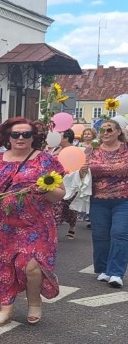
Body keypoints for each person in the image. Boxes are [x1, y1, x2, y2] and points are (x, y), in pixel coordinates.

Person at [0, 118, 65, 326]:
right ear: (7, 137)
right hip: (2, 225)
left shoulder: (45, 160)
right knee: (2, 266)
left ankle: (34, 303)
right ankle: (5, 308)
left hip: (36, 225)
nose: (20, 138)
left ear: (33, 137)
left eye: (26, 134)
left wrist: (48, 190)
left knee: (31, 266)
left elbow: (60, 194)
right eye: (16, 134)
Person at [84, 119, 128, 288]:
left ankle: (116, 273)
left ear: (118, 131)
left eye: (109, 129)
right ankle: (103, 269)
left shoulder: (126, 148)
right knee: (100, 235)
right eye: (102, 130)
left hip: (123, 199)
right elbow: (83, 170)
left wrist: (101, 169)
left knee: (120, 234)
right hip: (98, 199)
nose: (105, 133)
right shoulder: (92, 150)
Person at [52, 129, 78, 239]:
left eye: (59, 136)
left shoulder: (74, 150)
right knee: (56, 207)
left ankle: (72, 227)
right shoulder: (56, 149)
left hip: (70, 182)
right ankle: (53, 232)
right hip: (56, 181)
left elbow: (77, 165)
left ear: (66, 138)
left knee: (69, 207)